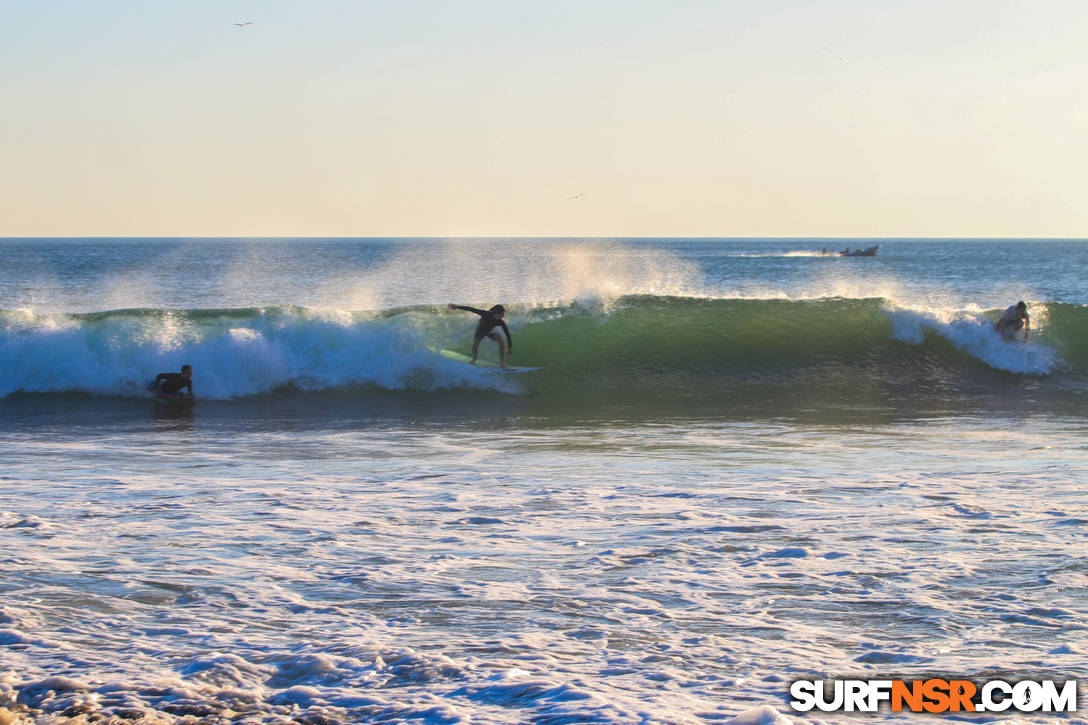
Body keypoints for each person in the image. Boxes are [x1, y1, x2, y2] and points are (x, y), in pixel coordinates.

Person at [447, 303, 513, 369]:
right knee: (475, 345)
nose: (503, 316)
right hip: (480, 330)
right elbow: (471, 309)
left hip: (489, 332)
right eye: (502, 314)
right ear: (496, 313)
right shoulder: (485, 314)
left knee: (500, 339)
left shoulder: (500, 322)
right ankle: (474, 359)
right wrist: (457, 307)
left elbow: (507, 333)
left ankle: (502, 362)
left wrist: (510, 347)